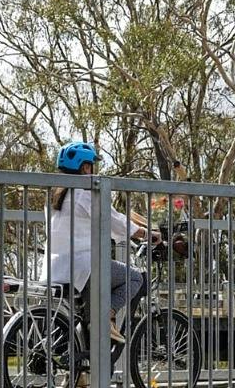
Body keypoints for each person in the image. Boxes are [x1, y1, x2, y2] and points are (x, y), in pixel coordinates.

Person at [47, 141, 154, 343]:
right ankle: (106, 316)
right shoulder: (85, 193)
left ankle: (82, 364)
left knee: (84, 314)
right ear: (86, 167)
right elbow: (113, 220)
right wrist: (145, 233)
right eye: (92, 165)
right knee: (135, 278)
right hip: (81, 266)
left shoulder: (58, 196)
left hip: (55, 269)